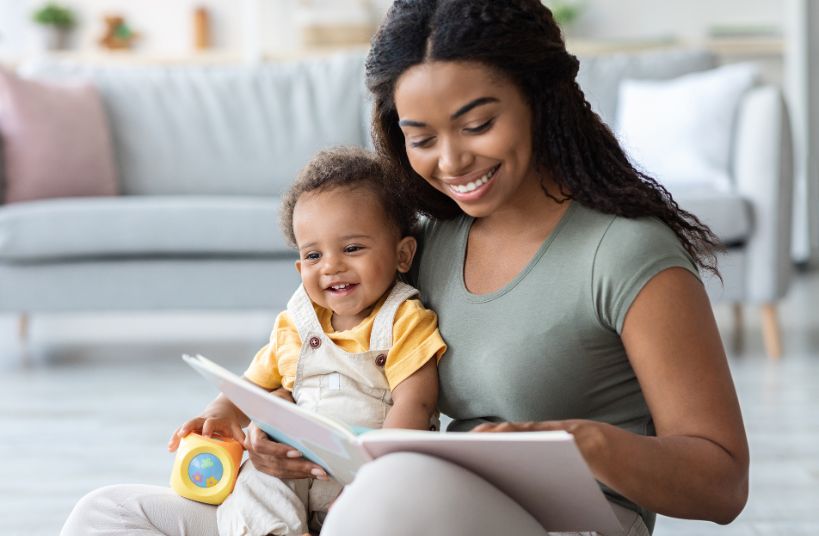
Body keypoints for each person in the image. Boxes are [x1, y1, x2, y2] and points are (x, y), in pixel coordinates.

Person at [315, 1, 749, 535]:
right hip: (437, 506)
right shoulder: (426, 244)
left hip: (575, 521)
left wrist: (578, 442)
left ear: (539, 99)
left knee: (384, 501)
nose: (450, 162)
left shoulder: (626, 253)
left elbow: (723, 484)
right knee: (185, 514)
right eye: (423, 139)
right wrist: (297, 443)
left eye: (477, 125)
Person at [60, 147, 446, 536]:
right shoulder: (296, 325)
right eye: (313, 255)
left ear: (402, 254)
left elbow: (416, 402)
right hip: (293, 479)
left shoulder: (404, 319)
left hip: (367, 479)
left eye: (352, 248)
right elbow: (251, 388)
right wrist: (220, 415)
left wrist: (370, 477)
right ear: (300, 267)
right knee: (254, 480)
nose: (331, 266)